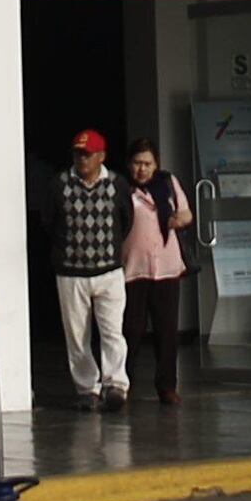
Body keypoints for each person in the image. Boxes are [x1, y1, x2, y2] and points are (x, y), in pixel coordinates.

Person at [46, 129, 131, 405]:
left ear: (101, 156)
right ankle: (87, 389)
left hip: (109, 270)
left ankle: (116, 384)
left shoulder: (117, 183)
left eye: (88, 154)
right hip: (71, 272)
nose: (82, 159)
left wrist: (111, 249)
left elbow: (126, 220)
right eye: (78, 154)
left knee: (112, 331)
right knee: (77, 334)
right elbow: (49, 222)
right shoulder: (59, 184)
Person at [117, 144, 194, 408]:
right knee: (131, 330)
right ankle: (121, 384)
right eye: (138, 163)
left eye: (148, 163)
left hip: (166, 267)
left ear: (156, 165)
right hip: (133, 269)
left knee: (166, 331)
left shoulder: (168, 183)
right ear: (130, 164)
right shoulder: (121, 187)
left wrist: (178, 220)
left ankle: (167, 387)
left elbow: (186, 212)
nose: (142, 169)